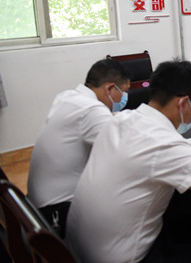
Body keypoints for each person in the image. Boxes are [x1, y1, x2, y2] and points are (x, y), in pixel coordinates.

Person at [66, 61, 191, 263]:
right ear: (183, 103)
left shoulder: (121, 119)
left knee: (185, 215)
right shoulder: (165, 144)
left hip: (80, 252)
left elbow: (152, 148)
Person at [27, 58, 130, 237]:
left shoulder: (67, 97)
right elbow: (126, 153)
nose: (124, 98)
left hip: (36, 204)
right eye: (124, 92)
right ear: (110, 88)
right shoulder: (92, 110)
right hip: (57, 213)